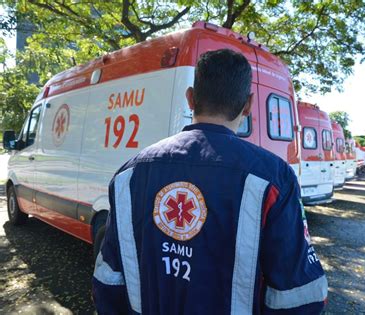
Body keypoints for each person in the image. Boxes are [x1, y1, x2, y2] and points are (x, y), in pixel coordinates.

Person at [92, 49, 328, 314]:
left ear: (190, 98)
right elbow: (297, 295)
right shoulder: (272, 177)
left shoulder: (129, 173)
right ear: (248, 105)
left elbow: (108, 279)